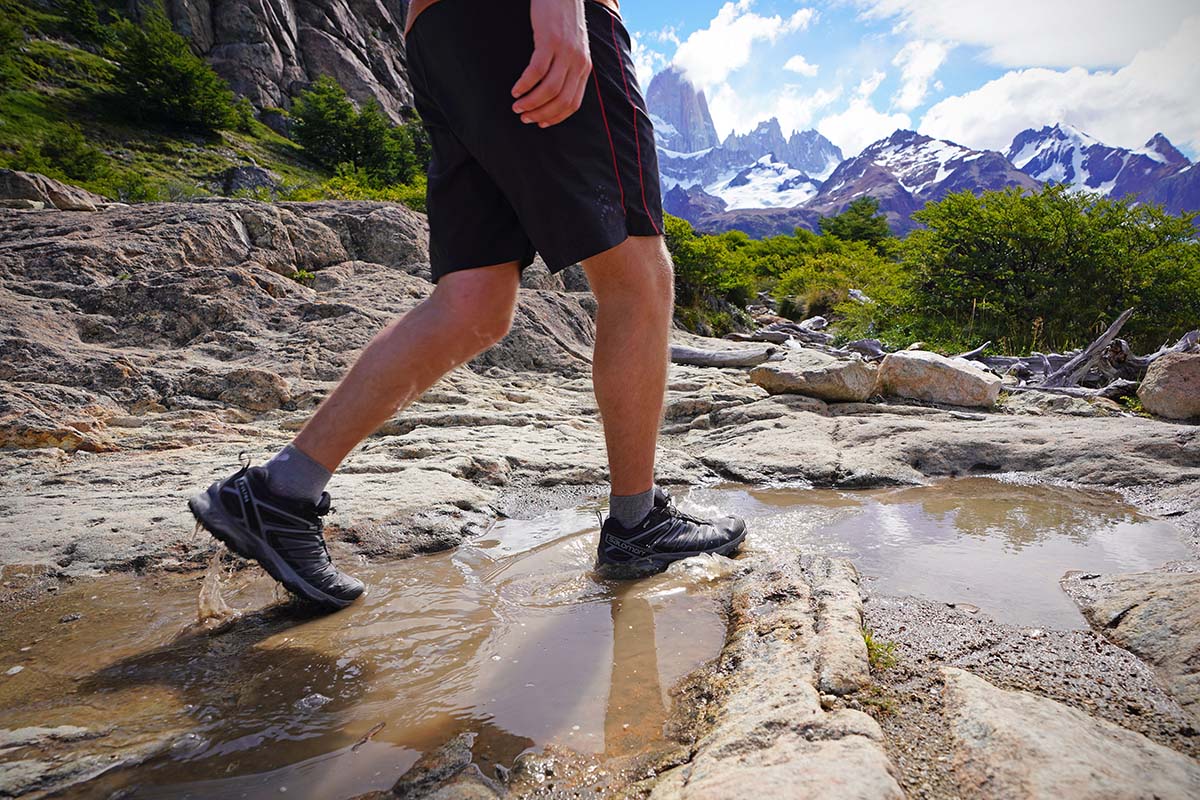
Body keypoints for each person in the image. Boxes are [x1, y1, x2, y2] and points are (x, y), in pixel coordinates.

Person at [188, 0, 747, 610]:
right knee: (639, 274)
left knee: (474, 303)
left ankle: (280, 490)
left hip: (441, 37)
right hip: (524, 18)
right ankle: (638, 526)